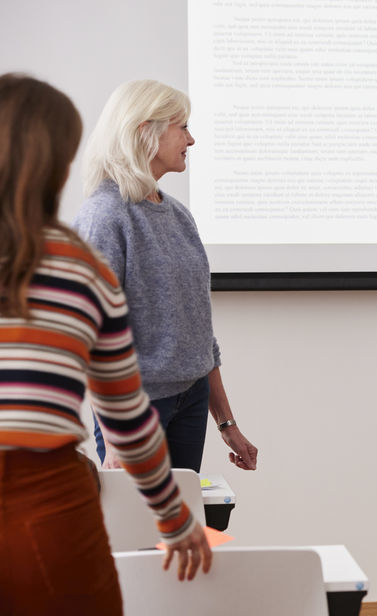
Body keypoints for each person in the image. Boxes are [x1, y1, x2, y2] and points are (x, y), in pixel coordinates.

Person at [0, 74, 212, 616]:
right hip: (49, 502)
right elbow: (125, 411)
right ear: (55, 160)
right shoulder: (77, 262)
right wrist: (173, 516)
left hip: (54, 495)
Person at [74, 80, 257, 474]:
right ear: (145, 132)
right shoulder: (105, 217)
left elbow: (198, 331)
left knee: (179, 532)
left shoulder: (178, 216)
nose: (191, 139)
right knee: (137, 533)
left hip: (191, 401)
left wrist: (226, 423)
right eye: (182, 127)